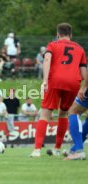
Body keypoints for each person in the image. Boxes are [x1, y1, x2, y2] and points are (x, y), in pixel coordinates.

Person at [30, 23, 87, 157]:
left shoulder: (53, 45)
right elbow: (84, 70)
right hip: (74, 83)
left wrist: (45, 80)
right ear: (70, 35)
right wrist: (84, 87)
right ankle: (57, 148)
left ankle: (37, 150)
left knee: (45, 114)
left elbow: (47, 59)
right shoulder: (80, 48)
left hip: (55, 81)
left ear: (58, 34)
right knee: (64, 114)